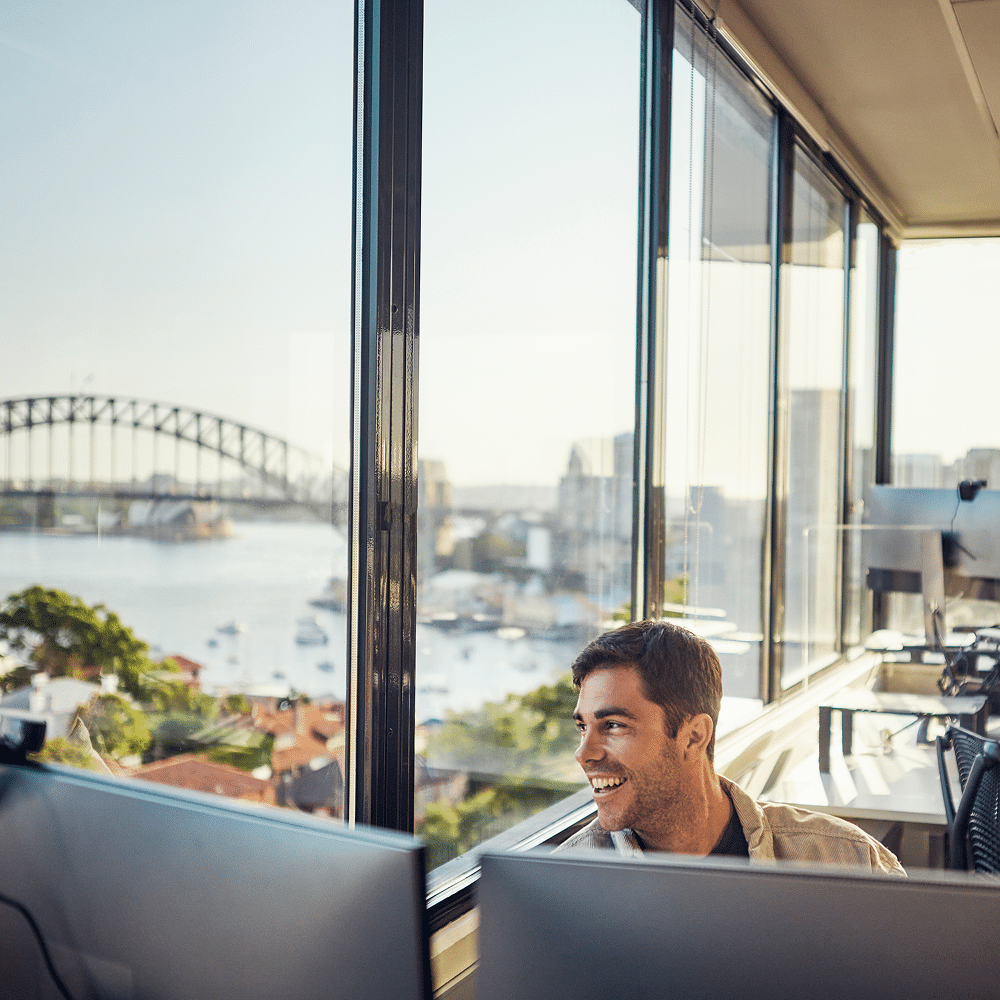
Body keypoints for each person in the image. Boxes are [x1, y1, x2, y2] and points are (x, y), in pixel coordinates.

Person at [558, 619, 905, 874]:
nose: (584, 754)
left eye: (614, 726)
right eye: (583, 727)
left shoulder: (845, 860)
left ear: (694, 736)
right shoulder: (565, 881)